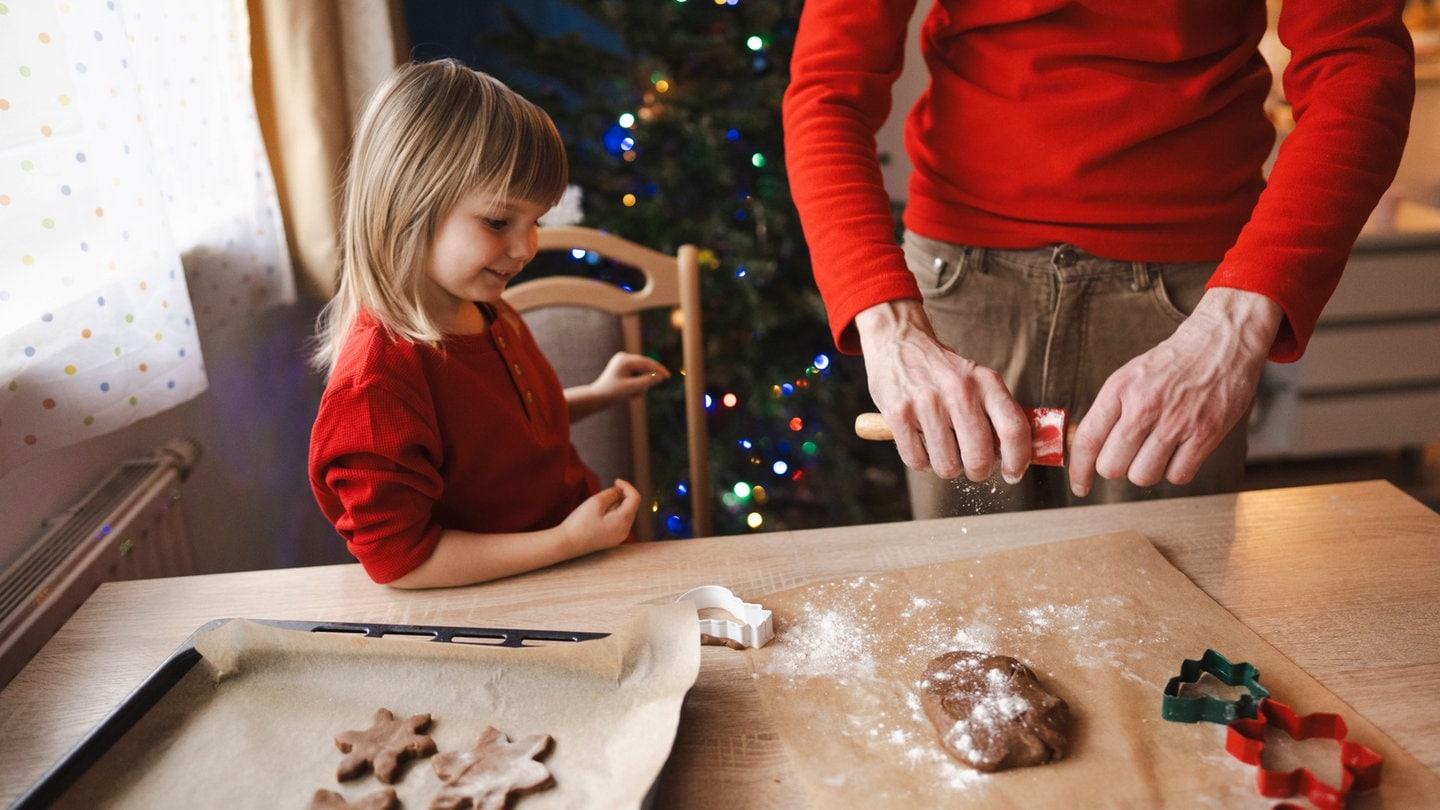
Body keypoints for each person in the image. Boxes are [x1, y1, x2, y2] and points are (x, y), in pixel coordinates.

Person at [782, 2, 1415, 516]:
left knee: (1172, 627)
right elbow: (828, 88)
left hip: (1190, 300)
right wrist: (888, 327)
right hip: (963, 286)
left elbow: (1358, 67)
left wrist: (1233, 328)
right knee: (969, 616)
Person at [308, 59, 670, 588]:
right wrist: (569, 541)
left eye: (536, 222)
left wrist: (597, 394)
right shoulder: (377, 386)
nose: (526, 248)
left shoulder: (483, 308)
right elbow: (400, 562)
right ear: (408, 206)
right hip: (510, 605)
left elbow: (497, 442)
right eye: (499, 221)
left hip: (579, 561)